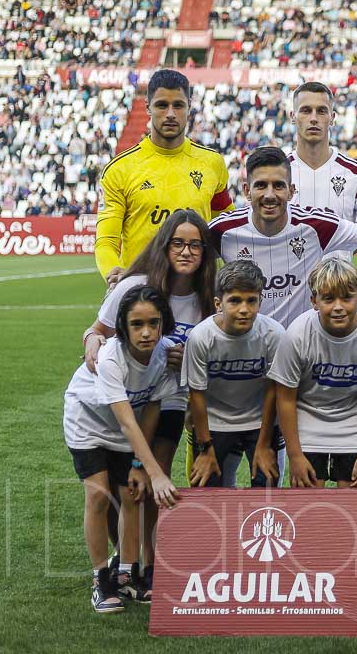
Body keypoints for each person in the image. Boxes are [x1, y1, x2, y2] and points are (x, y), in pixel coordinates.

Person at [80, 210, 216, 582]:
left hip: (173, 398)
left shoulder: (209, 296)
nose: (186, 252)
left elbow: (215, 351)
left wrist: (190, 356)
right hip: (127, 396)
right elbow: (97, 331)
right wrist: (91, 342)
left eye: (195, 245)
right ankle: (125, 562)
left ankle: (150, 565)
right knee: (123, 486)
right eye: (178, 243)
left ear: (205, 251)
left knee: (157, 475)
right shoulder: (134, 286)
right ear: (165, 245)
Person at [63, 286, 180, 613]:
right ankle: (101, 579)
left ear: (163, 323)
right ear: (123, 326)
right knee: (99, 495)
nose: (146, 332)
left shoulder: (165, 354)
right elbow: (127, 421)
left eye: (153, 323)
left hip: (124, 427)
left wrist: (139, 466)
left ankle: (127, 575)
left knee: (131, 494)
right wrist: (156, 472)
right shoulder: (111, 356)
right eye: (136, 324)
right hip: (88, 423)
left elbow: (152, 409)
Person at [208, 146, 357, 327]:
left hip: (301, 349)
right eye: (260, 185)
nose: (269, 194)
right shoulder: (223, 230)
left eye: (278, 186)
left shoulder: (315, 226)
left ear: (291, 191)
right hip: (247, 350)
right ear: (246, 191)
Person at [95, 69, 232, 284]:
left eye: (178, 105)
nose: (170, 114)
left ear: (189, 107)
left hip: (198, 295)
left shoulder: (212, 163)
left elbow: (227, 229)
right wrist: (114, 272)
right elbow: (106, 241)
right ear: (148, 107)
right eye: (161, 105)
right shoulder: (120, 169)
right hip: (143, 294)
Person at [267, 259, 357, 488]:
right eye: (328, 299)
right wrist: (295, 456)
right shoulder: (297, 334)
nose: (338, 307)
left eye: (346, 297)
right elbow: (285, 398)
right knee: (309, 503)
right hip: (308, 421)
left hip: (355, 423)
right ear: (314, 301)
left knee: (353, 502)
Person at [183, 260, 286, 488]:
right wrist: (205, 448)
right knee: (206, 486)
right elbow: (197, 395)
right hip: (214, 422)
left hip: (260, 420)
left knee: (267, 483)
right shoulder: (201, 337)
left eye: (252, 301)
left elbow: (273, 391)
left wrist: (263, 445)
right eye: (235, 301)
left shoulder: (274, 334)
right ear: (219, 303)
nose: (244, 309)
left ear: (261, 300)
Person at [286, 81, 357, 225]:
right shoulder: (278, 173)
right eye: (306, 110)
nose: (313, 119)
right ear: (293, 116)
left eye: (321, 111)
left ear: (332, 118)